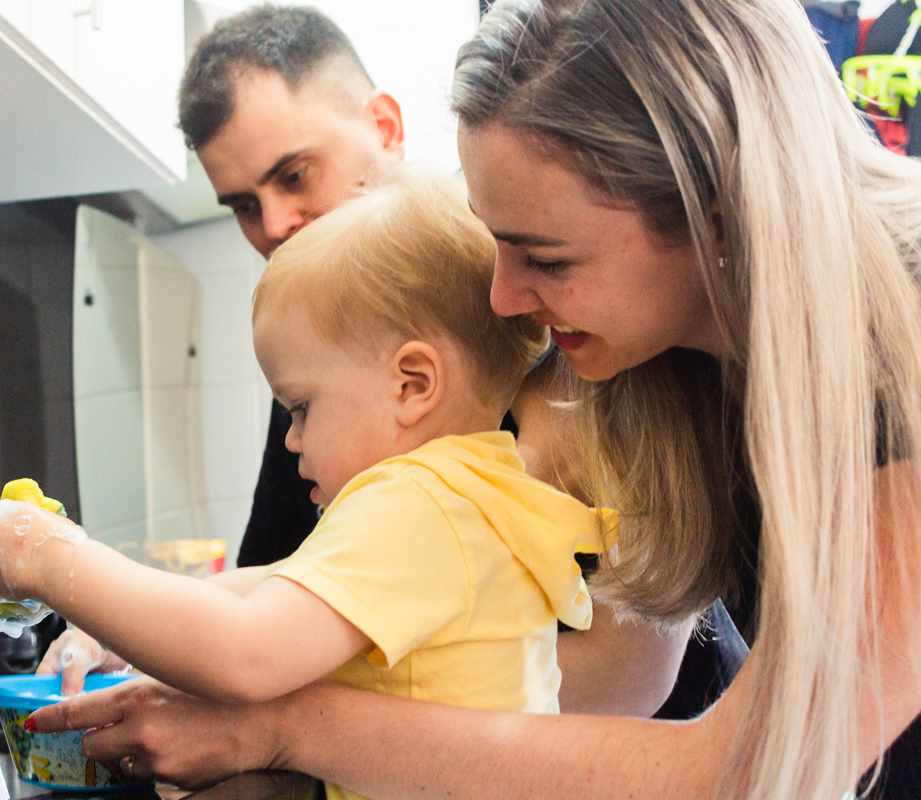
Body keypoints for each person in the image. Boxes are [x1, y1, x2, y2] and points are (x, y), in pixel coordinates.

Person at [28, 0, 921, 798]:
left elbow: (752, 767)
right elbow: (419, 595)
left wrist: (288, 723)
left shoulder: (917, 332)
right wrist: (159, 632)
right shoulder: (652, 357)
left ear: (712, 205)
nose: (507, 299)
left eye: (546, 258)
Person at [44, 2, 733, 724]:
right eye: (243, 205)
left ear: (385, 127)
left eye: (295, 174)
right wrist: (136, 626)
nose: (274, 224)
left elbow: (627, 678)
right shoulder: (331, 378)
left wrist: (288, 714)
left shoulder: (583, 328)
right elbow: (294, 587)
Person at [0, 169, 624, 800]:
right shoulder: (479, 492)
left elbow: (246, 651)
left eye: (302, 408)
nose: (290, 439)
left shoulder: (419, 503)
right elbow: (266, 584)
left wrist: (52, 560)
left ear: (413, 385)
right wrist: (117, 624)